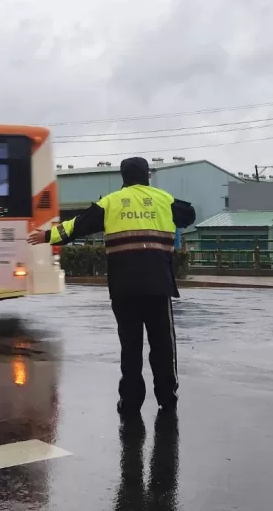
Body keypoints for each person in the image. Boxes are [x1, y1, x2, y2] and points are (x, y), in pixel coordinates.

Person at [28, 156, 195, 415]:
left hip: (124, 289)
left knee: (131, 347)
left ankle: (129, 403)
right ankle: (167, 399)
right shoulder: (164, 199)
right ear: (147, 176)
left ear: (123, 178)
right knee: (162, 346)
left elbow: (77, 226)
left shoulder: (110, 203)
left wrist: (47, 236)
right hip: (158, 287)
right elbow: (190, 215)